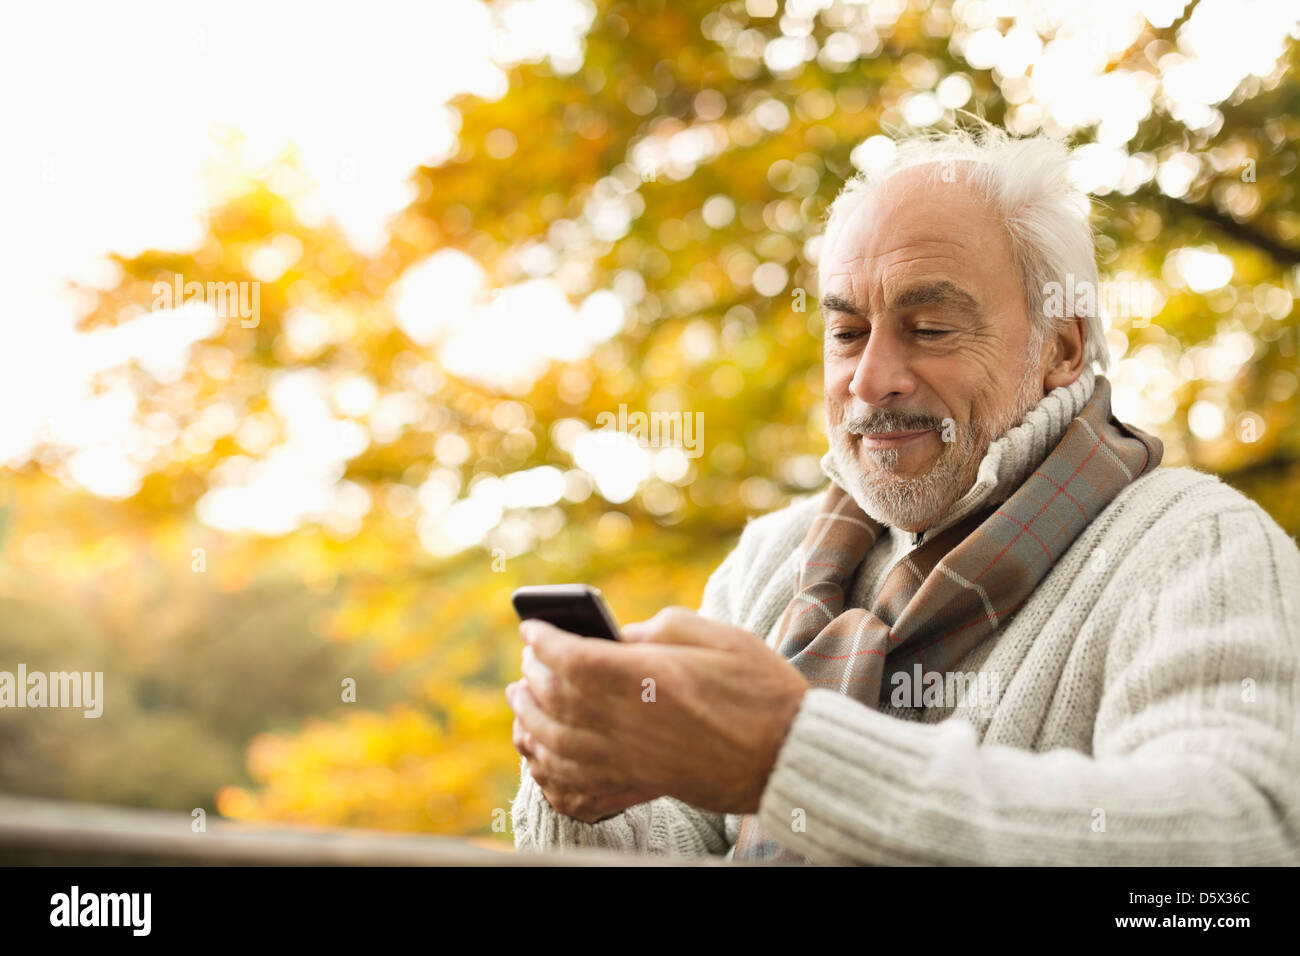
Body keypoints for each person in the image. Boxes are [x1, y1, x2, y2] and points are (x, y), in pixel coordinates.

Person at [506, 124, 1300, 865]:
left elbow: (1240, 839)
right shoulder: (771, 559)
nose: (871, 380)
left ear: (1062, 349)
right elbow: (697, 840)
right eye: (848, 332)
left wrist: (791, 755)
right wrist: (585, 791)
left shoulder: (1200, 546)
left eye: (929, 329)